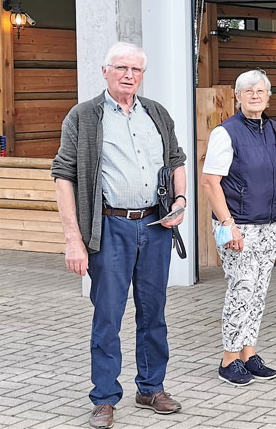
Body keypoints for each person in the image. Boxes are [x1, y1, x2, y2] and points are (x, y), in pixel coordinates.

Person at [52, 42, 187, 428]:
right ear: (105, 70)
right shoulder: (84, 116)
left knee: (154, 312)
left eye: (137, 70)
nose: (130, 75)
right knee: (108, 315)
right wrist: (73, 238)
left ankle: (151, 387)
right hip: (110, 228)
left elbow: (176, 160)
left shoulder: (156, 113)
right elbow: (62, 175)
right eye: (122, 68)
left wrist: (180, 200)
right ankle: (105, 397)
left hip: (155, 227)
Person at [200, 70, 276, 386]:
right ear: (237, 97)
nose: (255, 95)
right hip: (238, 225)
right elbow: (210, 182)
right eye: (248, 91)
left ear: (268, 97)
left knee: (258, 291)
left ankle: (248, 354)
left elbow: (265, 170)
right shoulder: (225, 133)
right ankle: (228, 359)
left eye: (260, 91)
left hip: (269, 223)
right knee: (241, 289)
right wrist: (229, 225)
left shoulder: (270, 128)